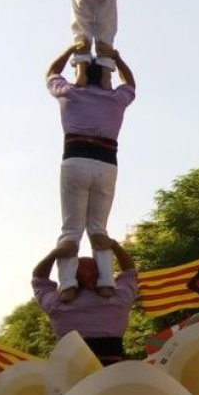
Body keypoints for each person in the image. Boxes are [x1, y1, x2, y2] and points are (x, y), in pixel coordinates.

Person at [44, 43, 136, 298]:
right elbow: (131, 85)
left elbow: (51, 73)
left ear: (80, 72)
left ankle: (68, 285)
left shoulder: (70, 93)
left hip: (75, 160)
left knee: (71, 228)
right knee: (98, 227)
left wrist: (71, 48)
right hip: (106, 164)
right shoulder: (116, 99)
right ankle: (106, 281)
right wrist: (116, 56)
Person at [31, 235, 137, 365]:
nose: (87, 276)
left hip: (72, 374)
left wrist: (55, 253)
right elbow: (130, 272)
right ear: (102, 276)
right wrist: (113, 245)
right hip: (112, 372)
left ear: (71, 278)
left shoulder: (57, 305)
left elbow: (39, 279)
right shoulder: (119, 300)